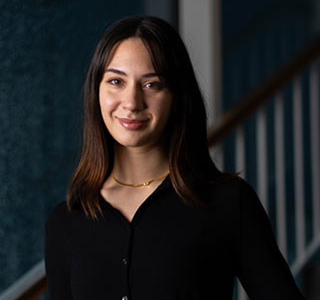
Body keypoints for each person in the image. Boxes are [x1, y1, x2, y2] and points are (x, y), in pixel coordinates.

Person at [45, 16, 306, 300]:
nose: (131, 102)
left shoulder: (229, 203)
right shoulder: (66, 221)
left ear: (177, 96)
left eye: (152, 85)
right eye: (116, 81)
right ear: (96, 91)